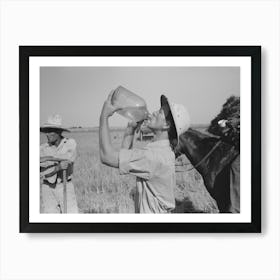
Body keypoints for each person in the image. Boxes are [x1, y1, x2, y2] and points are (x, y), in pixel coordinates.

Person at [99, 91, 190, 213]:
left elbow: (106, 156)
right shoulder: (164, 152)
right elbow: (125, 157)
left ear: (166, 125)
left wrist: (104, 116)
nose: (153, 113)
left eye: (160, 112)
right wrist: (130, 130)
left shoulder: (153, 156)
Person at [40, 114, 79, 213]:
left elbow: (69, 158)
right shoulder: (42, 148)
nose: (47, 134)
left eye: (50, 131)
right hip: (47, 187)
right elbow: (41, 170)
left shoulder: (70, 143)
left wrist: (47, 159)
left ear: (58, 132)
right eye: (46, 131)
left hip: (65, 185)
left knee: (71, 214)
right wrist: (58, 167)